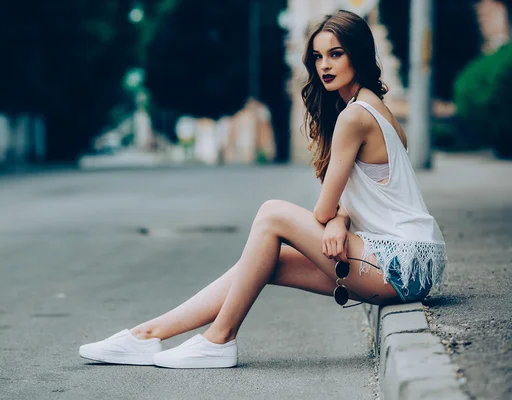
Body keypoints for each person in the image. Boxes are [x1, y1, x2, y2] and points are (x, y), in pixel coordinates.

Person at [78, 9, 447, 369]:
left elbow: (323, 210)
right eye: (318, 56)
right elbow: (374, 195)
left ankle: (219, 338)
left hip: (401, 266)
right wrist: (340, 221)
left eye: (336, 54)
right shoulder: (373, 108)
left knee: (272, 214)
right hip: (409, 262)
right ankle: (147, 334)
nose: (324, 66)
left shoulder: (354, 117)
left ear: (359, 55)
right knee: (263, 262)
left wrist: (332, 220)